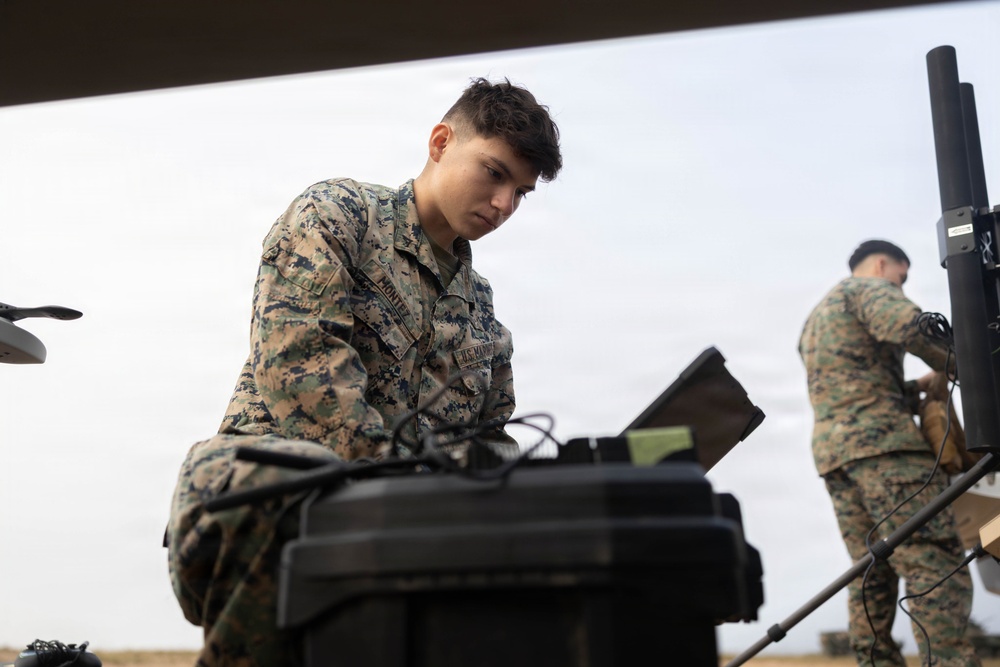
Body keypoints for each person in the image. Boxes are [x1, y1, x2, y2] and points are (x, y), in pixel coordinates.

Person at [166, 77, 562, 667]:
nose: (505, 205)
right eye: (494, 173)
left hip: (406, 529)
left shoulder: (482, 311)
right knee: (293, 480)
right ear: (441, 142)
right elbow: (299, 365)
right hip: (268, 498)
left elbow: (491, 440)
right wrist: (410, 487)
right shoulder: (338, 215)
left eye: (521, 193)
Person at [799, 239, 980, 667]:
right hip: (888, 451)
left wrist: (918, 386)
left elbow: (855, 385)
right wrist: (970, 363)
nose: (901, 286)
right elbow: (911, 328)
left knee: (870, 572)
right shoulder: (870, 290)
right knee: (932, 559)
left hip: (835, 456)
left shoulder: (816, 319)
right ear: (882, 264)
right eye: (902, 277)